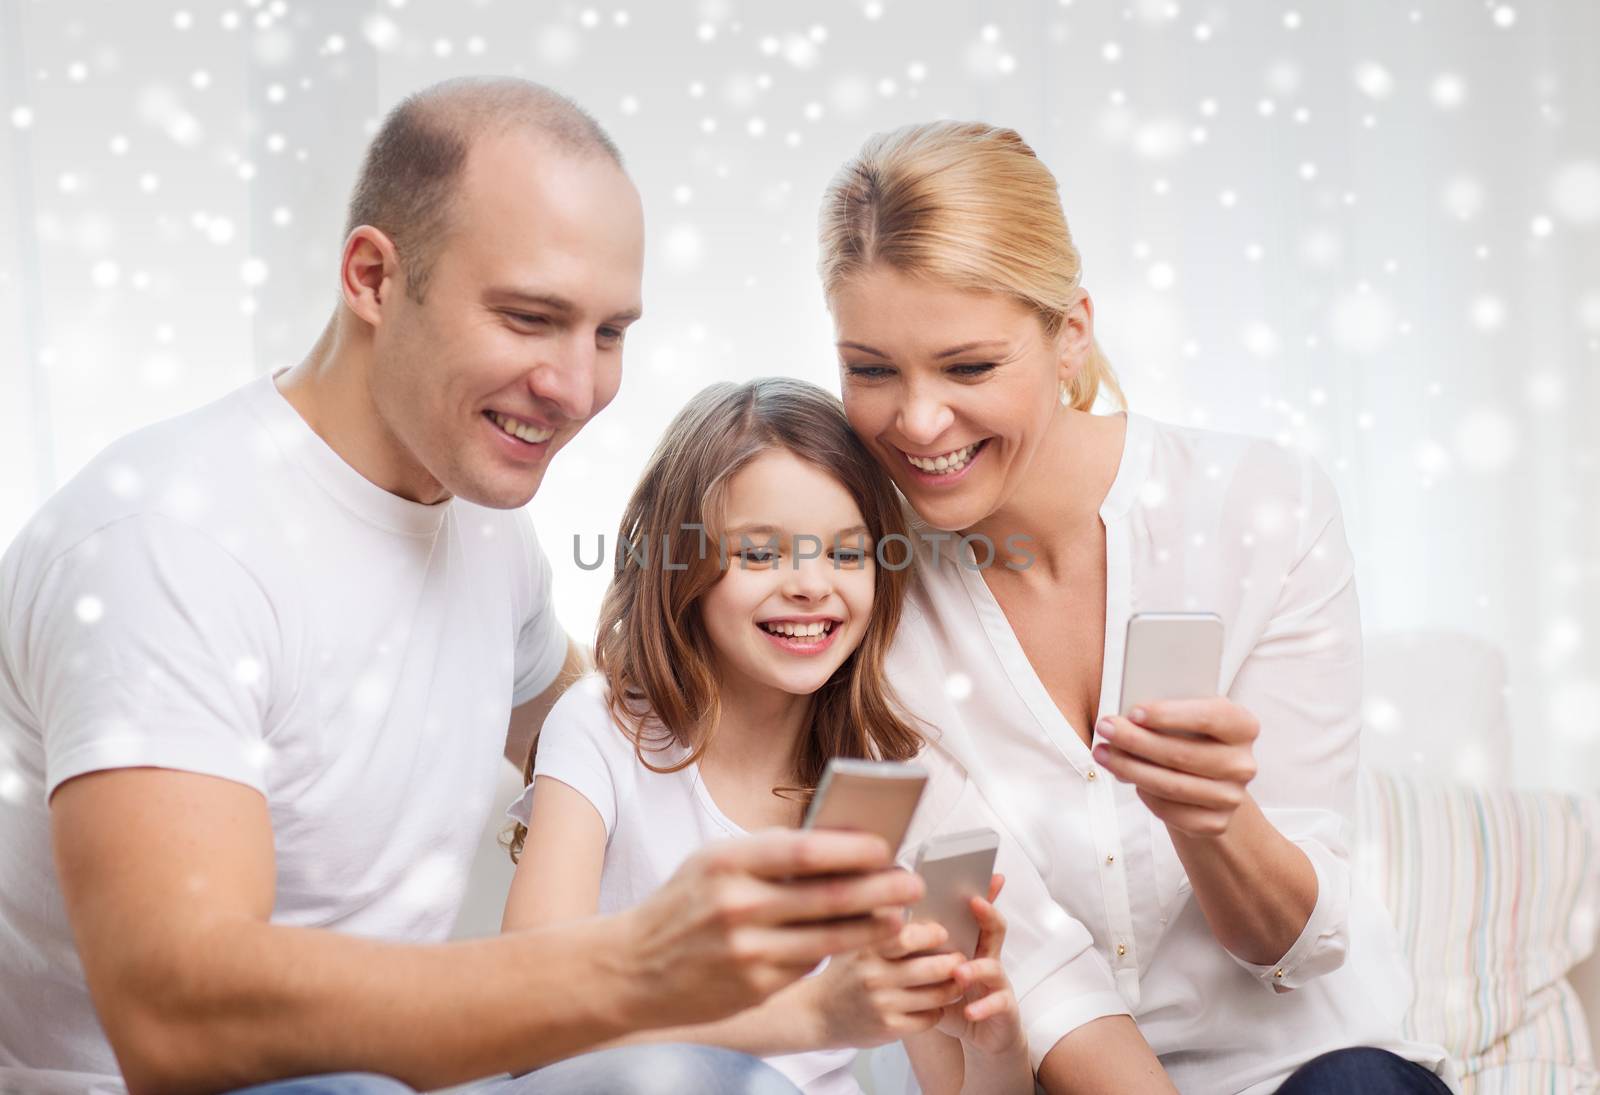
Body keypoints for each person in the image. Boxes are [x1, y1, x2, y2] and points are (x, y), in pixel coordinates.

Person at [0, 78, 925, 1095]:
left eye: (610, 333)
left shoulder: (486, 535)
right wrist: (641, 967)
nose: (577, 389)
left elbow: (613, 721)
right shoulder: (163, 544)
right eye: (530, 318)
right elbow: (176, 1024)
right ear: (371, 277)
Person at [815, 121, 1460, 1095]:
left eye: (968, 367)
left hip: (1305, 1066)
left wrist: (1212, 823)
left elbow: (1298, 945)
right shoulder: (860, 598)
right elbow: (1022, 962)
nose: (916, 420)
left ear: (1070, 332)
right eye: (871, 369)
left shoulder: (1259, 509)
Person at [500, 377, 1174, 1094]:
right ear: (681, 564)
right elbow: (531, 1028)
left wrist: (994, 1049)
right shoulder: (604, 727)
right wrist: (806, 1015)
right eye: (761, 554)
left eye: (848, 555)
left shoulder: (890, 776)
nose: (811, 585)